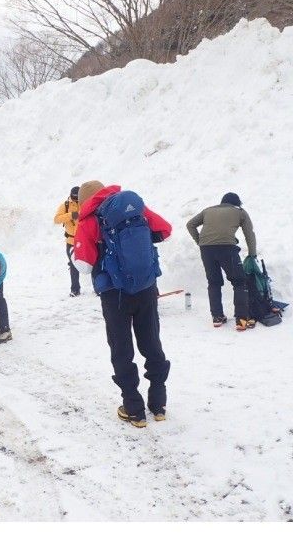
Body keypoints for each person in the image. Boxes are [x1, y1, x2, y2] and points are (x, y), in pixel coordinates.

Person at [73, 181, 172, 428]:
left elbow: (84, 266)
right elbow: (165, 230)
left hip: (114, 294)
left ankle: (134, 409)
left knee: (121, 349)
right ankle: (158, 403)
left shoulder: (88, 221)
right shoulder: (133, 207)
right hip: (146, 287)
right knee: (151, 341)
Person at [186, 192, 257, 331]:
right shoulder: (240, 212)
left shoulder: (208, 211)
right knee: (239, 281)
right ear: (237, 203)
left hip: (206, 250)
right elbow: (249, 234)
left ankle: (217, 317)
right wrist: (252, 254)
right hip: (227, 249)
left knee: (214, 282)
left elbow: (190, 224)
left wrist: (199, 241)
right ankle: (242, 320)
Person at [53, 186, 81, 297]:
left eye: (77, 198)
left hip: (84, 240)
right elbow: (56, 219)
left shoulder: (84, 203)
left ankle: (98, 288)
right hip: (71, 241)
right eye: (74, 198)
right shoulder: (65, 205)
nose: (76, 200)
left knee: (92, 263)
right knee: (73, 265)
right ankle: (75, 289)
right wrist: (71, 215)